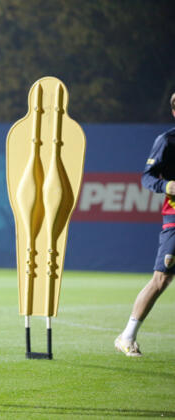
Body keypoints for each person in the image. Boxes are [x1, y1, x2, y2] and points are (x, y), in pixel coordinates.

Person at [115, 92, 175, 357]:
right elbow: (146, 177)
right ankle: (127, 336)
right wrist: (166, 185)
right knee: (162, 278)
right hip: (174, 216)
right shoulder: (166, 141)